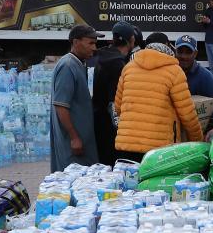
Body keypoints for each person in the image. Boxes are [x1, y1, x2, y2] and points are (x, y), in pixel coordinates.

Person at [114, 41, 203, 162]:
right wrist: (197, 140)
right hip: (160, 149)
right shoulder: (174, 71)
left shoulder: (128, 68)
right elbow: (187, 114)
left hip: (126, 143)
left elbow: (118, 107)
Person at [51, 25, 100, 172]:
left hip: (81, 141)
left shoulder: (78, 63)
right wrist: (74, 137)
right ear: (76, 42)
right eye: (90, 43)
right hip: (72, 144)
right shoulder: (67, 66)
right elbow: (61, 105)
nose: (94, 48)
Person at [92, 21, 137, 166]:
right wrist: (119, 130)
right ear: (131, 40)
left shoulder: (103, 56)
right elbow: (113, 103)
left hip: (98, 121)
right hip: (110, 128)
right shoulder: (117, 64)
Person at [174, 35, 213, 135]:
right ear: (175, 52)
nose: (183, 56)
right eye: (180, 51)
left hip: (198, 134)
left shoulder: (205, 76)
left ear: (195, 54)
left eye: (188, 52)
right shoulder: (169, 74)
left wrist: (208, 129)